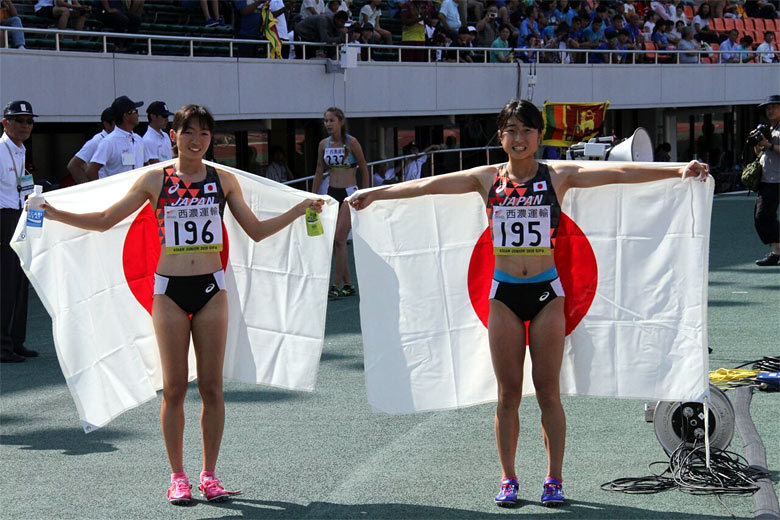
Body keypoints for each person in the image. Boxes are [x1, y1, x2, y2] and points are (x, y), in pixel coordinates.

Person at [350, 99, 709, 509]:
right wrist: (375, 194)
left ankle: (554, 478)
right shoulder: (486, 179)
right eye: (510, 130)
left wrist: (676, 170)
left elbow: (619, 172)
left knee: (548, 394)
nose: (518, 139)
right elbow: (425, 186)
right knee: (507, 395)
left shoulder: (558, 176)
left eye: (526, 130)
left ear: (539, 136)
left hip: (546, 296)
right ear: (500, 136)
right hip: (503, 296)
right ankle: (508, 478)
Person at [37, 104, 323, 504]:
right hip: (168, 291)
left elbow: (255, 232)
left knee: (212, 388)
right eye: (189, 132)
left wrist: (299, 209)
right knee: (173, 389)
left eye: (205, 134)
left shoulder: (223, 181)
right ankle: (177, 476)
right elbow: (104, 220)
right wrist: (52, 211)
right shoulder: (156, 180)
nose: (197, 140)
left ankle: (209, 474)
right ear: (173, 134)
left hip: (211, 290)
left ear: (212, 138)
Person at [312, 107, 368, 299]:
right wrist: (313, 196)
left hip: (349, 194)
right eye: (325, 120)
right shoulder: (323, 144)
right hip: (331, 193)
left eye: (331, 120)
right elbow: (319, 169)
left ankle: (335, 285)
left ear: (341, 121)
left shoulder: (351, 142)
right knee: (336, 242)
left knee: (339, 239)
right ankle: (349, 284)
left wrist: (365, 193)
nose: (327, 124)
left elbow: (364, 167)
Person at [1, 100, 38, 363]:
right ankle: (2, 345)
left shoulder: (21, 149)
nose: (26, 126)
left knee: (21, 280)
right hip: (3, 216)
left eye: (29, 121)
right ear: (5, 123)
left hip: (19, 214)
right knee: (5, 283)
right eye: (20, 120)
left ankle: (16, 341)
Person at [86, 95, 145, 180]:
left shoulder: (138, 139)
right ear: (126, 115)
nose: (138, 114)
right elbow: (91, 170)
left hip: (137, 192)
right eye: (135, 111)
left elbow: (145, 165)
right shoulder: (109, 142)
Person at [752, 95, 780, 266]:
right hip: (768, 178)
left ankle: (777, 252)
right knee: (763, 216)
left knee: (763, 216)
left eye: (774, 107)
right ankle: (776, 252)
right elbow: (760, 154)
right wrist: (757, 143)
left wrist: (768, 145)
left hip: (776, 180)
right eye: (767, 108)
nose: (770, 110)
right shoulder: (769, 128)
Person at [67, 107, 115, 184]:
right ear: (107, 124)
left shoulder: (128, 139)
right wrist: (89, 188)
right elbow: (73, 165)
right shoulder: (97, 141)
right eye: (117, 122)